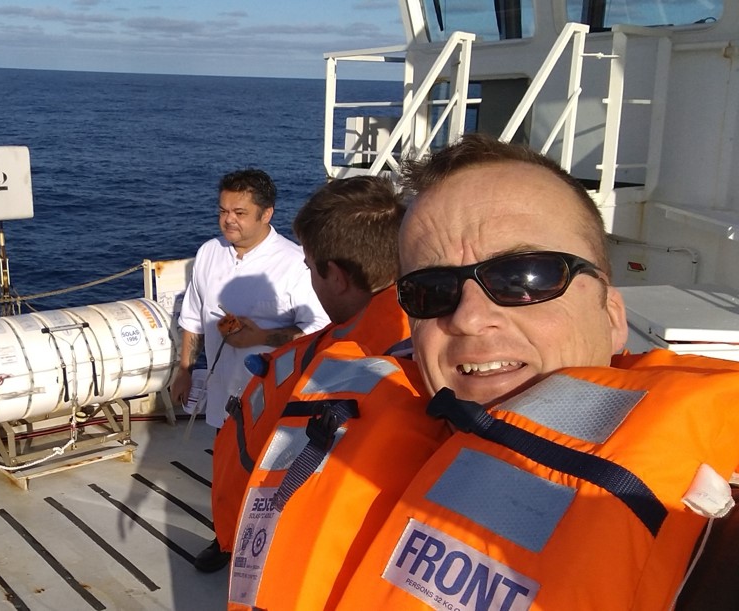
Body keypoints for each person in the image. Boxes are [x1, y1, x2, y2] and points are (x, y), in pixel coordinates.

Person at [229, 134, 739, 610]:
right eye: (432, 290)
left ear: (611, 316)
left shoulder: (714, 526)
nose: (468, 318)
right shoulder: (362, 433)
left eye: (524, 276)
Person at [205, 175, 412, 574]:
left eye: (311, 270)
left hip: (299, 553)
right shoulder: (424, 343)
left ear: (336, 276)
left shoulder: (331, 370)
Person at [169, 168, 328, 572]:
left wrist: (262, 336)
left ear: (266, 213)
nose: (229, 221)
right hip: (224, 395)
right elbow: (193, 317)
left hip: (274, 400)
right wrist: (184, 369)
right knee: (225, 474)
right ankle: (226, 541)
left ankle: (270, 547)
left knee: (271, 477)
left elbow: (319, 332)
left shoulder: (295, 264)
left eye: (240, 213)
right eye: (223, 211)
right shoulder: (208, 253)